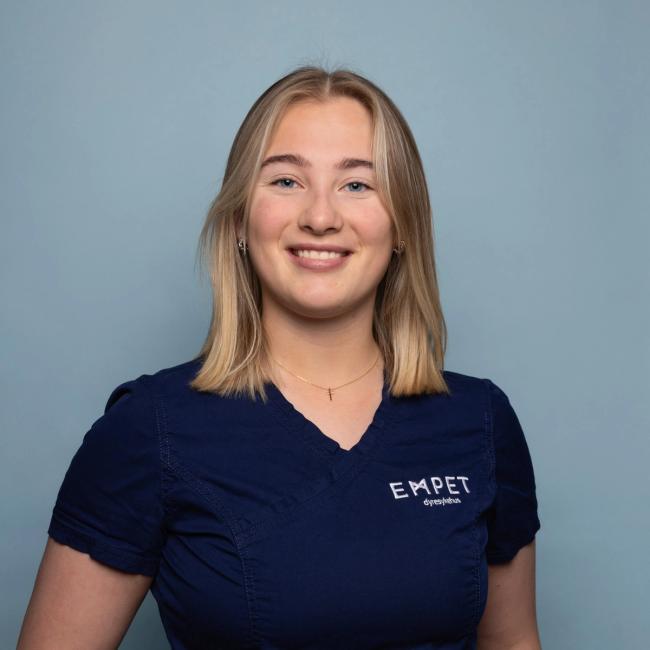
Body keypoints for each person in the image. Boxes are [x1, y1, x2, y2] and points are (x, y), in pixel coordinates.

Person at [17, 66, 542, 649]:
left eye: (357, 185)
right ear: (240, 219)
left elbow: (514, 642)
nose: (320, 216)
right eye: (287, 181)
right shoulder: (148, 429)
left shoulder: (479, 422)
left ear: (402, 226)